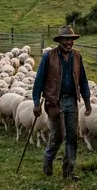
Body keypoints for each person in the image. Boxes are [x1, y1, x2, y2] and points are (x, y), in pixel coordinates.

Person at [32, 25, 92, 181]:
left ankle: (68, 170)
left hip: (72, 100)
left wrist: (87, 101)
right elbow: (39, 80)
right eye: (66, 39)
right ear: (59, 40)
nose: (69, 43)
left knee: (72, 137)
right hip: (54, 102)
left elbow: (83, 80)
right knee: (57, 136)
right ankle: (48, 160)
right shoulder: (49, 56)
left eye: (71, 40)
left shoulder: (77, 56)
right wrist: (36, 102)